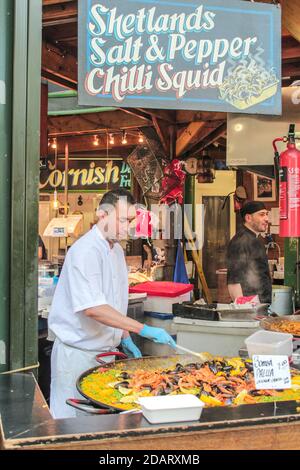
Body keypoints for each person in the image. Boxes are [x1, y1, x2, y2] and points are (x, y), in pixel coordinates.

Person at [48, 189, 176, 419]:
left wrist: (124, 335)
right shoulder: (85, 250)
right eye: (123, 220)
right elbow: (93, 308)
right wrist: (143, 329)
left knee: (100, 424)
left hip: (106, 354)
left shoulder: (116, 250)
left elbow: (111, 302)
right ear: (102, 215)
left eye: (130, 220)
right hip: (78, 355)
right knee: (72, 423)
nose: (128, 226)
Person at [226, 201, 272, 304]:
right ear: (248, 218)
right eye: (261, 214)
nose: (266, 219)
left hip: (259, 306)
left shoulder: (253, 239)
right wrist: (243, 310)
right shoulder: (241, 241)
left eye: (266, 214)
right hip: (250, 308)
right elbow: (234, 280)